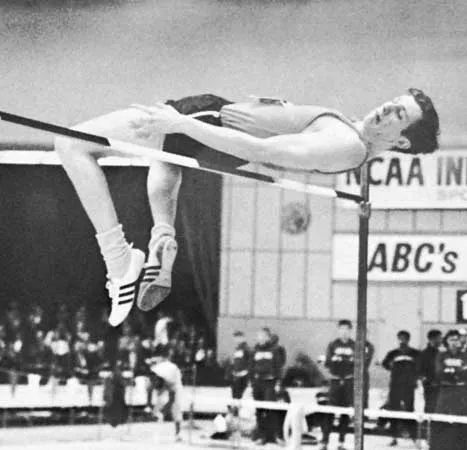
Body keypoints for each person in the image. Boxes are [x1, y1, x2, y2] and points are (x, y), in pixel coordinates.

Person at [54, 90, 440, 326]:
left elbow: (262, 150)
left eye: (398, 115)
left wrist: (180, 123)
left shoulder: (348, 145)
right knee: (165, 167)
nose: (386, 108)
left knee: (70, 144)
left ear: (402, 143)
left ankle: (120, 261)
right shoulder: (351, 137)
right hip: (217, 135)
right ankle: (163, 237)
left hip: (210, 121)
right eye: (393, 102)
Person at [321, 319, 355, 450]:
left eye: (347, 329)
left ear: (350, 331)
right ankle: (324, 441)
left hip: (348, 381)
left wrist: (341, 360)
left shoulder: (354, 345)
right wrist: (342, 362)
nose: (344, 332)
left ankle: (341, 442)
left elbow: (356, 364)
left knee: (345, 412)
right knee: (330, 411)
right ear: (338, 330)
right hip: (335, 381)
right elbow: (329, 363)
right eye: (342, 329)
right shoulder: (332, 345)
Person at [382, 330, 420, 447]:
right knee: (393, 410)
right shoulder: (392, 353)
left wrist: (414, 378)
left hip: (409, 386)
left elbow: (420, 366)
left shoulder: (415, 353)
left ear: (408, 340)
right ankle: (393, 437)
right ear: (397, 339)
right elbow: (385, 364)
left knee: (409, 409)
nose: (402, 341)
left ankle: (413, 437)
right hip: (395, 385)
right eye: (400, 338)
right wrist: (392, 368)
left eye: (404, 338)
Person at [430, 329, 467, 450]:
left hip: (461, 392)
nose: (454, 342)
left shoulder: (464, 355)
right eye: (451, 339)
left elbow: (465, 372)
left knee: (461, 419)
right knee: (442, 418)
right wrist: (456, 371)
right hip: (445, 391)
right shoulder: (441, 355)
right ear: (446, 341)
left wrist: (452, 371)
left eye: (456, 339)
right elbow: (439, 372)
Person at [251, 327, 283, 445]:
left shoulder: (274, 350)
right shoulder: (254, 351)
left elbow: (278, 367)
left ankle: (275, 436)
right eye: (259, 336)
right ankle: (261, 436)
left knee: (271, 410)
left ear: (268, 337)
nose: (261, 338)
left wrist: (278, 383)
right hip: (257, 383)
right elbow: (251, 367)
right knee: (259, 410)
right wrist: (251, 384)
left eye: (263, 336)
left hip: (270, 383)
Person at [148, 345, 184, 442]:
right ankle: (158, 434)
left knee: (175, 412)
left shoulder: (171, 367)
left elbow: (169, 387)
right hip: (165, 390)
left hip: (173, 390)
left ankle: (177, 434)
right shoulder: (158, 367)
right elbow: (153, 385)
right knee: (158, 412)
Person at [418, 329, 442, 413]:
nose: (441, 340)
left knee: (438, 406)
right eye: (439, 338)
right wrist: (427, 381)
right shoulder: (424, 354)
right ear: (432, 339)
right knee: (430, 406)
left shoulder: (440, 353)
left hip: (440, 385)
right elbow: (419, 371)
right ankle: (427, 424)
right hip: (430, 386)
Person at [230, 331, 251, 400]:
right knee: (234, 395)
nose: (236, 340)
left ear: (242, 338)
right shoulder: (236, 349)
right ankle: (235, 408)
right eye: (235, 338)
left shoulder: (246, 349)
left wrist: (246, 371)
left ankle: (236, 408)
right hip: (236, 375)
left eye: (238, 338)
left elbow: (250, 361)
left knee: (238, 395)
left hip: (242, 376)